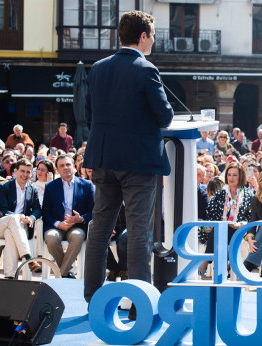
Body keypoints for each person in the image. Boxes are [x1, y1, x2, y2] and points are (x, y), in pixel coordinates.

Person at [83, 10, 174, 303]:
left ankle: (92, 297)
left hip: (104, 157)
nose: (154, 42)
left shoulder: (97, 68)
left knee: (99, 229)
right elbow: (164, 116)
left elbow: (88, 114)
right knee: (138, 233)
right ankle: (140, 304)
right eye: (153, 36)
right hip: (138, 162)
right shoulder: (145, 69)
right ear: (144, 36)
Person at [42, 155, 95, 278]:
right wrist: (58, 224)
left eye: (68, 165)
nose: (65, 168)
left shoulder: (87, 185)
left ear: (74, 167)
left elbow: (94, 211)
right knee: (50, 238)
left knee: (78, 236)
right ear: (57, 170)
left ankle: (61, 274)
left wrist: (80, 218)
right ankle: (67, 272)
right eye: (61, 166)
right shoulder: (50, 187)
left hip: (77, 225)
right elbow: (45, 212)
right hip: (56, 226)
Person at [198, 162, 253, 276]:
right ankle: (227, 264)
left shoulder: (248, 195)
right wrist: (226, 223)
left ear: (240, 176)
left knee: (221, 232)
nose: (231, 178)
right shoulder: (220, 193)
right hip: (222, 228)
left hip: (240, 230)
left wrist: (240, 224)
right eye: (229, 175)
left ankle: (206, 261)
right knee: (220, 230)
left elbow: (251, 216)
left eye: (234, 175)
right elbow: (210, 213)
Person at [0, 158, 42, 278]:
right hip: (1, 224)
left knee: (10, 233)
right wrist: (18, 216)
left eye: (28, 172)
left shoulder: (32, 189)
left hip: (19, 228)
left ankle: (10, 275)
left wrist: (31, 218)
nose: (25, 175)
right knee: (14, 219)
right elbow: (0, 209)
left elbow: (37, 209)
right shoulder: (4, 187)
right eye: (22, 171)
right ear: (15, 171)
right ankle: (28, 257)